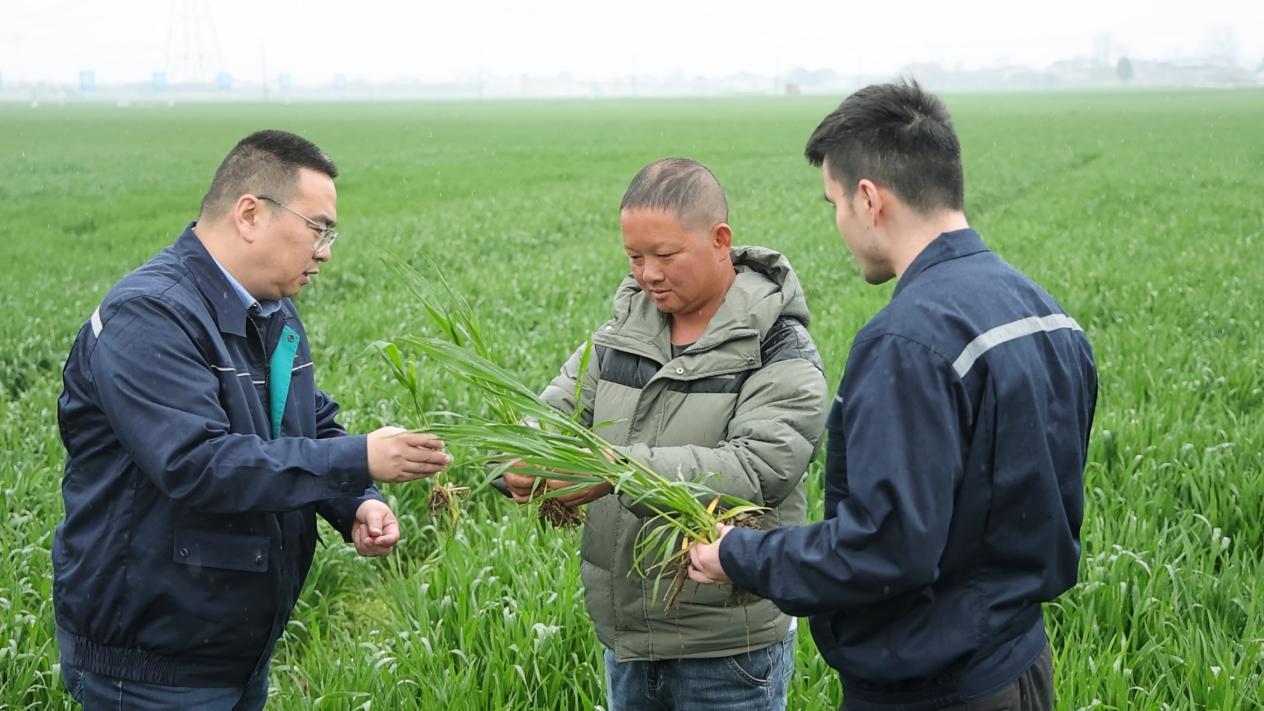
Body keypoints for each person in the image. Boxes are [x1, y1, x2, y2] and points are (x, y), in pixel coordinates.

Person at [688, 81, 1098, 710]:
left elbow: (884, 550)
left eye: (834, 202)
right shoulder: (1046, 314)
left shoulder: (908, 341)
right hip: (1022, 665)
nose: (838, 223)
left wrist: (741, 557)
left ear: (869, 199)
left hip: (935, 691)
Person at [53, 129, 452, 710]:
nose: (326, 250)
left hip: (231, 648)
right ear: (250, 214)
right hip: (152, 663)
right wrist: (358, 457)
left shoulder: (270, 308)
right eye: (318, 227)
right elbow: (198, 464)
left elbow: (308, 424)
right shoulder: (150, 315)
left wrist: (355, 500)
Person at [502, 157, 830, 711]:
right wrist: (519, 462)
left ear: (719, 240)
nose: (647, 273)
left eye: (665, 255)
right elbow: (548, 417)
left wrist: (613, 471)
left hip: (727, 650)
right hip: (627, 641)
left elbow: (756, 468)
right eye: (634, 256)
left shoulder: (777, 348)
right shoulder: (619, 337)